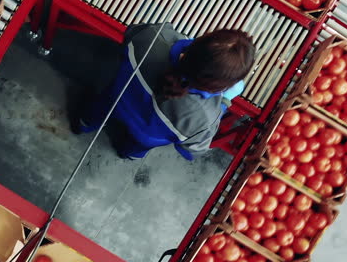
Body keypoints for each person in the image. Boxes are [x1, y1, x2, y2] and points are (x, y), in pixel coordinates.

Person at [72, 24, 256, 161]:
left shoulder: (154, 37)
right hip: (148, 135)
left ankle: (84, 123)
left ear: (199, 40)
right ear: (222, 87)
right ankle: (127, 153)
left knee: (99, 108)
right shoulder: (206, 117)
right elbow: (193, 149)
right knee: (137, 146)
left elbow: (130, 35)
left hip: (118, 98)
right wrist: (223, 103)